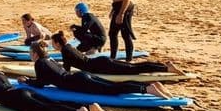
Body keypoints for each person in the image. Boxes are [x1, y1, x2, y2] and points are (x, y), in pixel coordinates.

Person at [0, 54, 110, 111]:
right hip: (22, 91)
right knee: (51, 102)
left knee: (47, 109)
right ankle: (90, 107)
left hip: (16, 99)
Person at [21, 41, 172, 99]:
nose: (30, 56)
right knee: (113, 86)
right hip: (81, 76)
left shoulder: (39, 63)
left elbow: (41, 84)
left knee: (112, 90)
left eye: (30, 53)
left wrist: (27, 81)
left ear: (35, 54)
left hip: (78, 83)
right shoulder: (50, 59)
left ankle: (148, 89)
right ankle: (148, 87)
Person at [51, 31, 185, 76]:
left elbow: (66, 71)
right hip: (101, 62)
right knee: (133, 67)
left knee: (134, 69)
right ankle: (164, 66)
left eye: (53, 43)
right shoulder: (68, 47)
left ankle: (167, 68)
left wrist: (53, 66)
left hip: (102, 66)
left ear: (57, 43)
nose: (52, 45)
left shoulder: (65, 51)